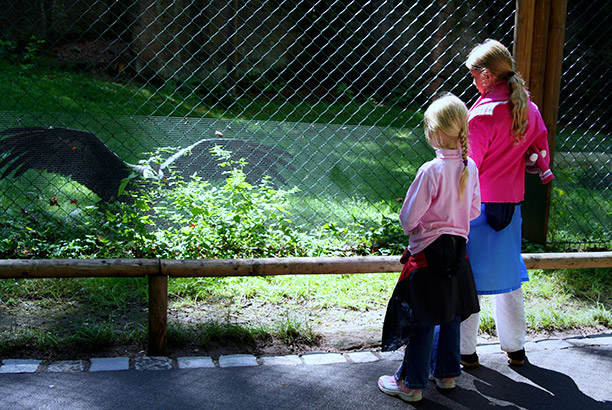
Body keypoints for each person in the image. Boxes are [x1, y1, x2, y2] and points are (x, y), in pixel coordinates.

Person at [377, 93, 481, 403]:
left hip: (427, 255)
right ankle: (447, 374)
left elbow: (409, 218)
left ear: (434, 131)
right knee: (449, 312)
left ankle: (411, 383)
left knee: (422, 317)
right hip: (458, 254)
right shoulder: (470, 167)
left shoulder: (429, 171)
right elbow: (474, 211)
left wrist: (419, 229)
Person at [459, 39, 552, 368]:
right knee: (508, 278)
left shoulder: (480, 115)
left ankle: (465, 351)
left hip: (477, 206)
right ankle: (515, 348)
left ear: (485, 76)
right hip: (512, 206)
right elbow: (538, 150)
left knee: (467, 278)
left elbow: (468, 166)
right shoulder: (528, 106)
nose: (472, 82)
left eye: (473, 75)